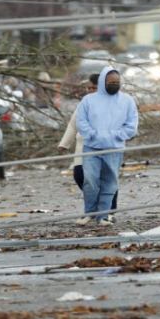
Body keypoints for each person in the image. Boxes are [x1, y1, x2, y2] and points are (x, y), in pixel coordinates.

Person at [75, 67, 138, 226]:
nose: (114, 85)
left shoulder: (127, 100)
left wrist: (118, 136)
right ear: (103, 82)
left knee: (110, 182)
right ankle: (89, 213)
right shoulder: (88, 100)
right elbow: (81, 121)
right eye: (111, 82)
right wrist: (92, 135)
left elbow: (131, 124)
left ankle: (103, 216)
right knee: (90, 180)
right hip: (91, 147)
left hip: (114, 148)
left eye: (117, 82)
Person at [57, 74, 119, 220]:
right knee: (80, 176)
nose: (90, 90)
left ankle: (108, 212)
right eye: (89, 88)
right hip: (82, 149)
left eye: (94, 88)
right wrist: (64, 144)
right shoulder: (84, 104)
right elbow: (73, 125)